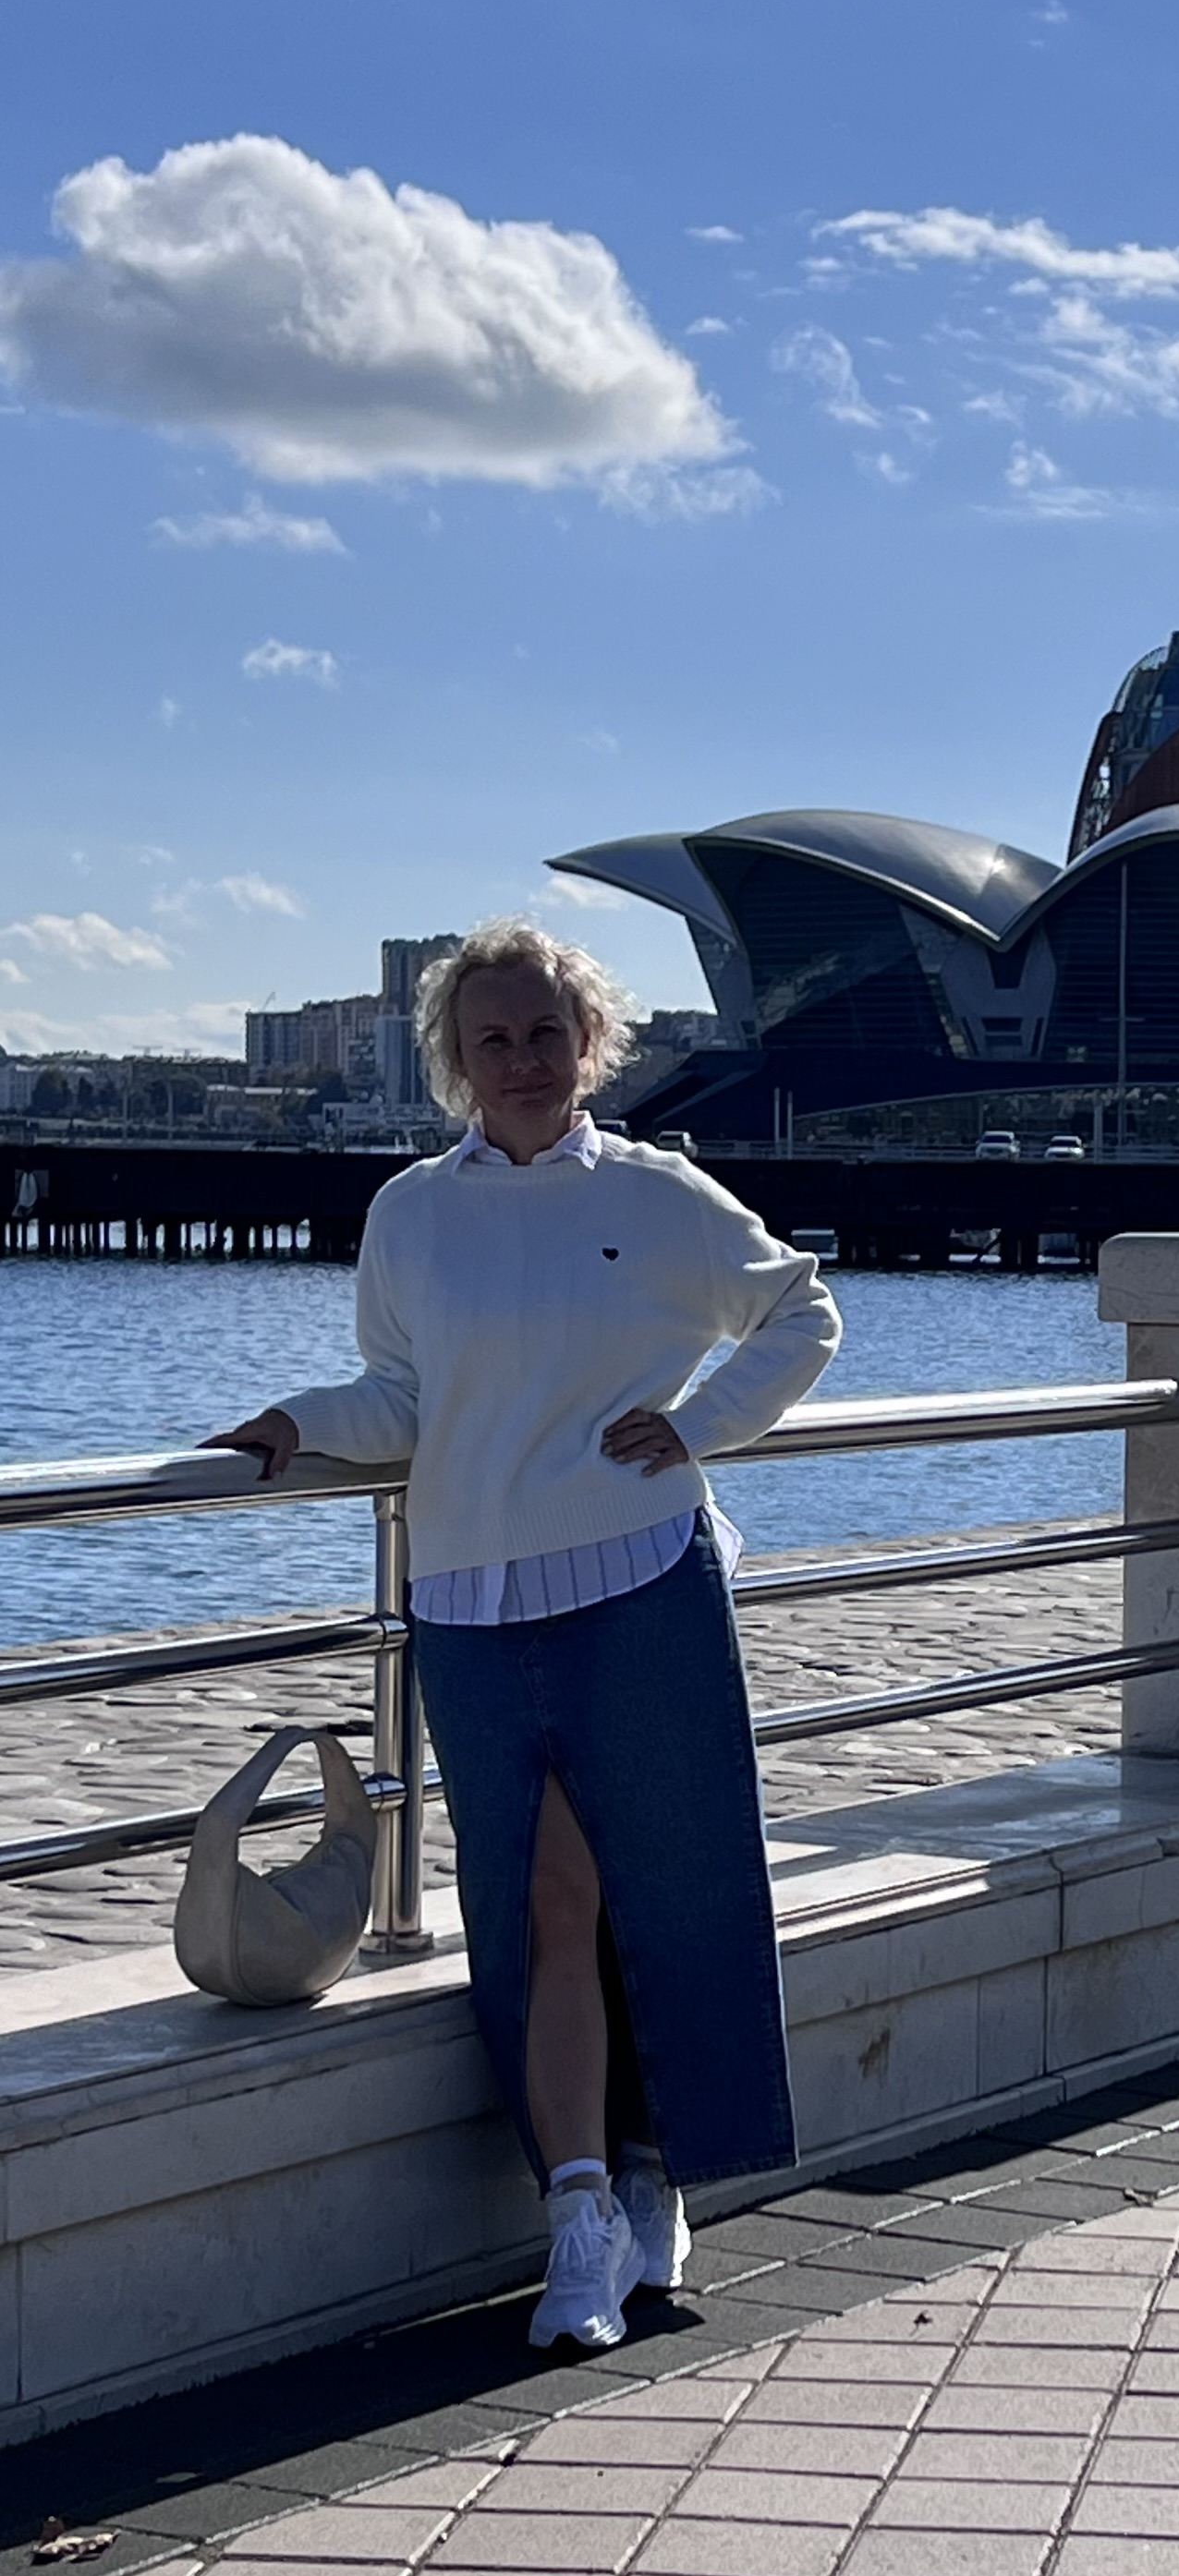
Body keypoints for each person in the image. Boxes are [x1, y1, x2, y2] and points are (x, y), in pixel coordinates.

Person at [209, 918, 840, 2353]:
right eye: (492, 1038)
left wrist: (699, 1426)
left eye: (546, 1032)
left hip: (641, 1583)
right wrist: (296, 1426)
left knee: (669, 1893)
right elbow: (404, 1399)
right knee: (542, 1906)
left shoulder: (658, 1193)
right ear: (453, 1059)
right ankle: (579, 2218)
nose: (523, 1061)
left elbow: (800, 1309)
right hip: (473, 1606)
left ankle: (656, 2174)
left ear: (590, 1042)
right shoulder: (409, 1215)